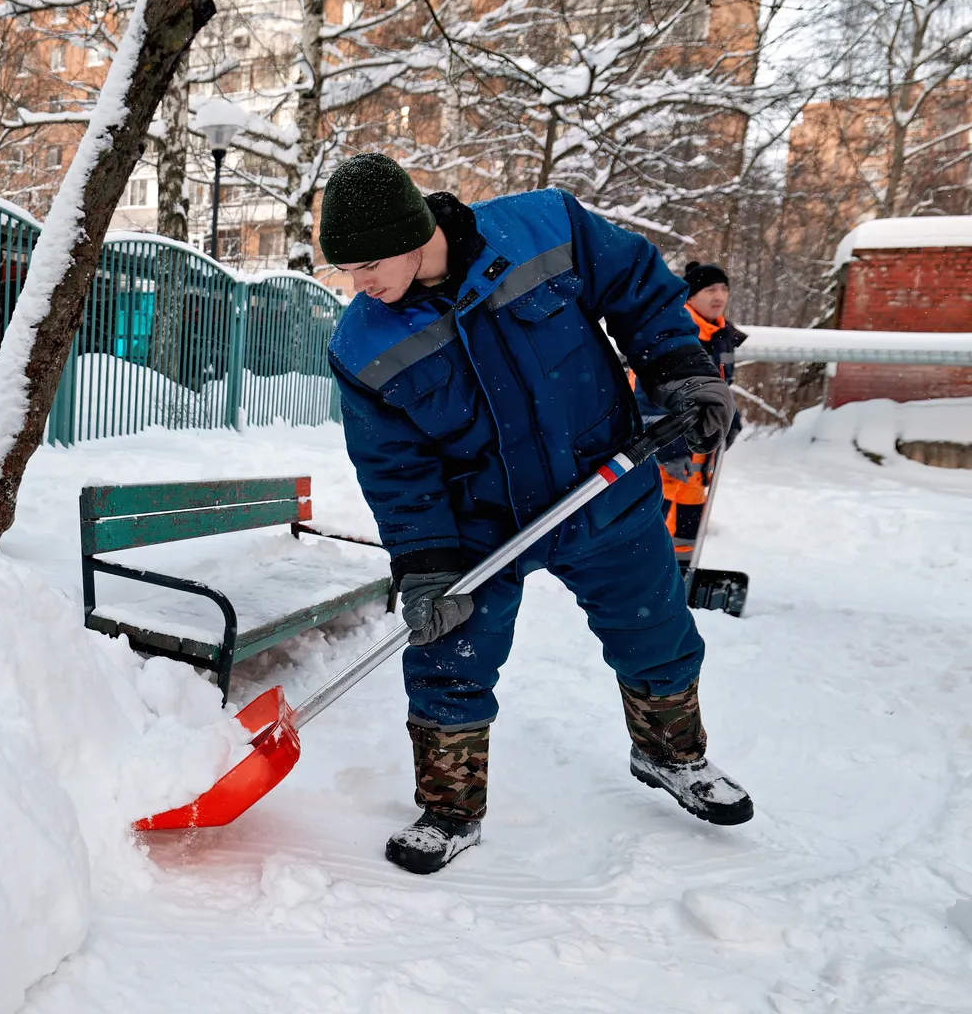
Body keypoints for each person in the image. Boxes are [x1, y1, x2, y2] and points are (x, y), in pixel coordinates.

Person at [318, 153, 752, 876]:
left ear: (413, 231)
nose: (356, 284)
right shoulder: (362, 343)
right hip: (480, 522)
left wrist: (680, 369)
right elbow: (395, 469)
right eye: (346, 270)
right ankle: (451, 808)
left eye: (365, 264)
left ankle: (672, 756)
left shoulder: (544, 227)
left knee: (656, 632)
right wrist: (425, 563)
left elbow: (639, 287)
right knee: (449, 656)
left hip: (603, 481)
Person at [634, 263, 747, 571]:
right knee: (655, 521)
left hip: (698, 455)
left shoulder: (721, 337)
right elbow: (649, 396)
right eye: (710, 289)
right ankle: (648, 581)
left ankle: (681, 577)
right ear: (691, 295)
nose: (719, 296)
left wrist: (731, 419)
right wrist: (669, 450)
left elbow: (721, 388)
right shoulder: (674, 333)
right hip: (667, 451)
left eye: (724, 289)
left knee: (688, 521)